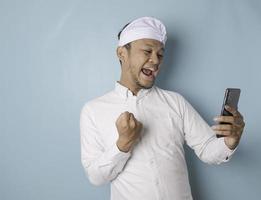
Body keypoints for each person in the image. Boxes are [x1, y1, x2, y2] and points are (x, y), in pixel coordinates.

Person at [80, 16, 245, 200]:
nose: (155, 60)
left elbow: (207, 149)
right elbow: (95, 176)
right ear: (122, 53)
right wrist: (122, 145)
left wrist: (230, 142)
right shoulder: (93, 110)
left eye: (160, 54)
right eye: (147, 51)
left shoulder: (175, 102)